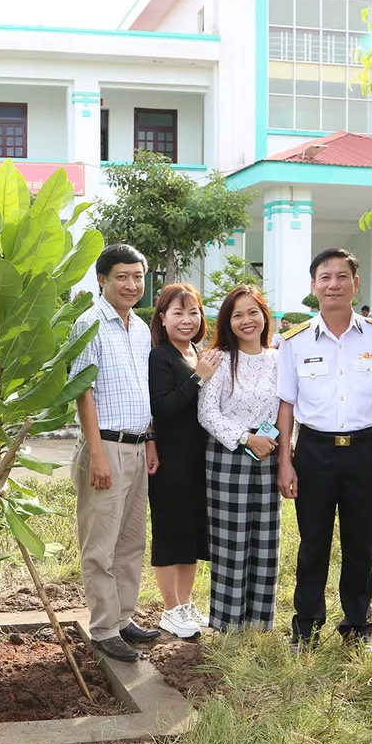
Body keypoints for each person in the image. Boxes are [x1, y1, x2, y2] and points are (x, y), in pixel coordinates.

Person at [275, 248, 372, 654]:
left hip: (365, 453)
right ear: (313, 286)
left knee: (360, 543)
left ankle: (357, 627)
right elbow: (286, 406)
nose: (333, 284)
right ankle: (306, 628)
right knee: (312, 542)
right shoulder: (294, 341)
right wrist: (285, 461)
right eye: (325, 277)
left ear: (355, 283)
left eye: (341, 276)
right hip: (313, 452)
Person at [68, 243, 160, 663]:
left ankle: (124, 618)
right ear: (102, 280)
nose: (131, 284)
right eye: (121, 276)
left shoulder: (139, 328)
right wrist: (98, 454)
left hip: (138, 446)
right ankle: (104, 627)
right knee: (100, 545)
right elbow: (82, 390)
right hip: (104, 446)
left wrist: (150, 440)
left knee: (130, 541)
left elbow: (143, 391)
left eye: (137, 276)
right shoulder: (89, 323)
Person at [197, 285, 281, 632]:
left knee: (265, 540)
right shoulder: (220, 359)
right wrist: (247, 438)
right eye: (237, 314)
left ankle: (260, 623)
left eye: (252, 312)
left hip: (269, 457)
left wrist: (272, 444)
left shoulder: (279, 359)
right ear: (227, 321)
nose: (246, 321)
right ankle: (227, 622)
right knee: (231, 542)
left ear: (264, 315)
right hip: (228, 457)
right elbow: (206, 413)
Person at [147, 283, 222, 639]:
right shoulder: (160, 356)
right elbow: (161, 407)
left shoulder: (198, 352)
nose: (187, 320)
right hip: (170, 460)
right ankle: (170, 608)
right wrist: (198, 378)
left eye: (193, 312)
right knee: (170, 532)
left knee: (192, 535)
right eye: (178, 313)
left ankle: (186, 604)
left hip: (199, 460)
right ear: (163, 318)